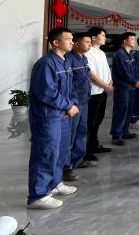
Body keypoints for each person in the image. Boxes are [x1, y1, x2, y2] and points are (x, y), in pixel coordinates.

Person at [27, 27, 79, 209]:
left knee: (61, 152)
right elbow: (46, 92)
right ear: (56, 42)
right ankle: (38, 195)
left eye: (72, 39)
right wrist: (68, 106)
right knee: (46, 153)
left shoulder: (65, 61)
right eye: (68, 39)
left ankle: (55, 183)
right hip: (48, 117)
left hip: (63, 116)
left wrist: (73, 104)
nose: (72, 42)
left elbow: (71, 88)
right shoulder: (45, 64)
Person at [63, 33, 94, 183]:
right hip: (75, 103)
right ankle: (66, 168)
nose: (89, 44)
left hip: (84, 101)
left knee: (81, 131)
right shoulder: (69, 59)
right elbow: (70, 84)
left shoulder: (83, 58)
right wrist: (72, 103)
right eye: (86, 42)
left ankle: (77, 160)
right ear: (76, 44)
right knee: (70, 135)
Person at [84, 27, 113, 163]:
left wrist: (109, 83)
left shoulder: (101, 52)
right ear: (93, 38)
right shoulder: (88, 52)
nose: (105, 38)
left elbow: (106, 71)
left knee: (98, 120)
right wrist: (105, 86)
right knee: (90, 121)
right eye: (103, 35)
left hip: (102, 91)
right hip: (94, 92)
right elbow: (91, 74)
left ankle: (94, 144)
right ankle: (86, 150)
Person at [110, 32, 139, 146]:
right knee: (121, 110)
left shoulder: (131, 54)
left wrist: (136, 81)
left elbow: (135, 70)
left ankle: (125, 131)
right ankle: (116, 135)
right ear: (124, 41)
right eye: (131, 39)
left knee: (129, 109)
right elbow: (124, 72)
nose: (134, 41)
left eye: (134, 39)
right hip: (122, 87)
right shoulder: (120, 54)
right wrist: (135, 81)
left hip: (131, 87)